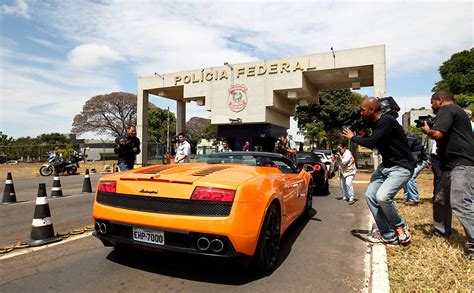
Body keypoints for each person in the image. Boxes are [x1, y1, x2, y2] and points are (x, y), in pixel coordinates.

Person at [342, 97, 415, 245]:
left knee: (382, 197)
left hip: (401, 166)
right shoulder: (377, 125)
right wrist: (362, 134)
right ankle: (388, 235)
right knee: (370, 196)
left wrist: (353, 137)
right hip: (386, 166)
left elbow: (372, 142)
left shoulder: (386, 121)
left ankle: (400, 227)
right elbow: (374, 142)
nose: (361, 113)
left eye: (363, 110)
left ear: (372, 110)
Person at [420, 90, 474, 260]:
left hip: (462, 164)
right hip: (450, 166)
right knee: (441, 199)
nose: (431, 105)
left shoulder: (447, 109)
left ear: (440, 100)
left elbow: (437, 134)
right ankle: (441, 230)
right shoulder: (455, 111)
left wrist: (427, 130)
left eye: (432, 102)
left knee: (460, 202)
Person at [402, 133, 429, 205]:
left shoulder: (409, 137)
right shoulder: (401, 138)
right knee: (405, 177)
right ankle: (407, 198)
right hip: (412, 161)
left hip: (420, 161)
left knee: (411, 177)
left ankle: (414, 199)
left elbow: (415, 157)